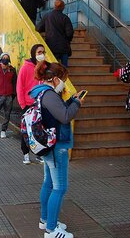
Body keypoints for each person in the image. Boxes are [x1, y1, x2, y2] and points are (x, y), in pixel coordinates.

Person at [30, 62, 83, 238]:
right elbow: (65, 116)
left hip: (49, 145)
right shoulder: (50, 94)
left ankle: (45, 220)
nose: (64, 84)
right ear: (54, 79)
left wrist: (69, 101)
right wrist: (76, 103)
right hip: (57, 145)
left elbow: (57, 112)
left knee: (49, 183)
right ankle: (51, 230)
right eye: (62, 80)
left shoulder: (42, 92)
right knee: (59, 187)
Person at [17, 44, 47, 164]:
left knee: (40, 131)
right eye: (39, 52)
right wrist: (23, 104)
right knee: (26, 131)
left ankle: (40, 154)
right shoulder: (25, 68)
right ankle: (25, 154)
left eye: (43, 52)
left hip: (41, 104)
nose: (41, 54)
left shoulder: (44, 67)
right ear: (34, 53)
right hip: (28, 105)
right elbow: (20, 87)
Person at [36, 0, 74, 66]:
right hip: (63, 47)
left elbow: (38, 28)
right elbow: (69, 33)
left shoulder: (47, 16)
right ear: (63, 7)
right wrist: (68, 40)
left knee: (52, 67)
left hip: (51, 46)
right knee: (64, 69)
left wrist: (48, 29)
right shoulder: (65, 18)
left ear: (54, 6)